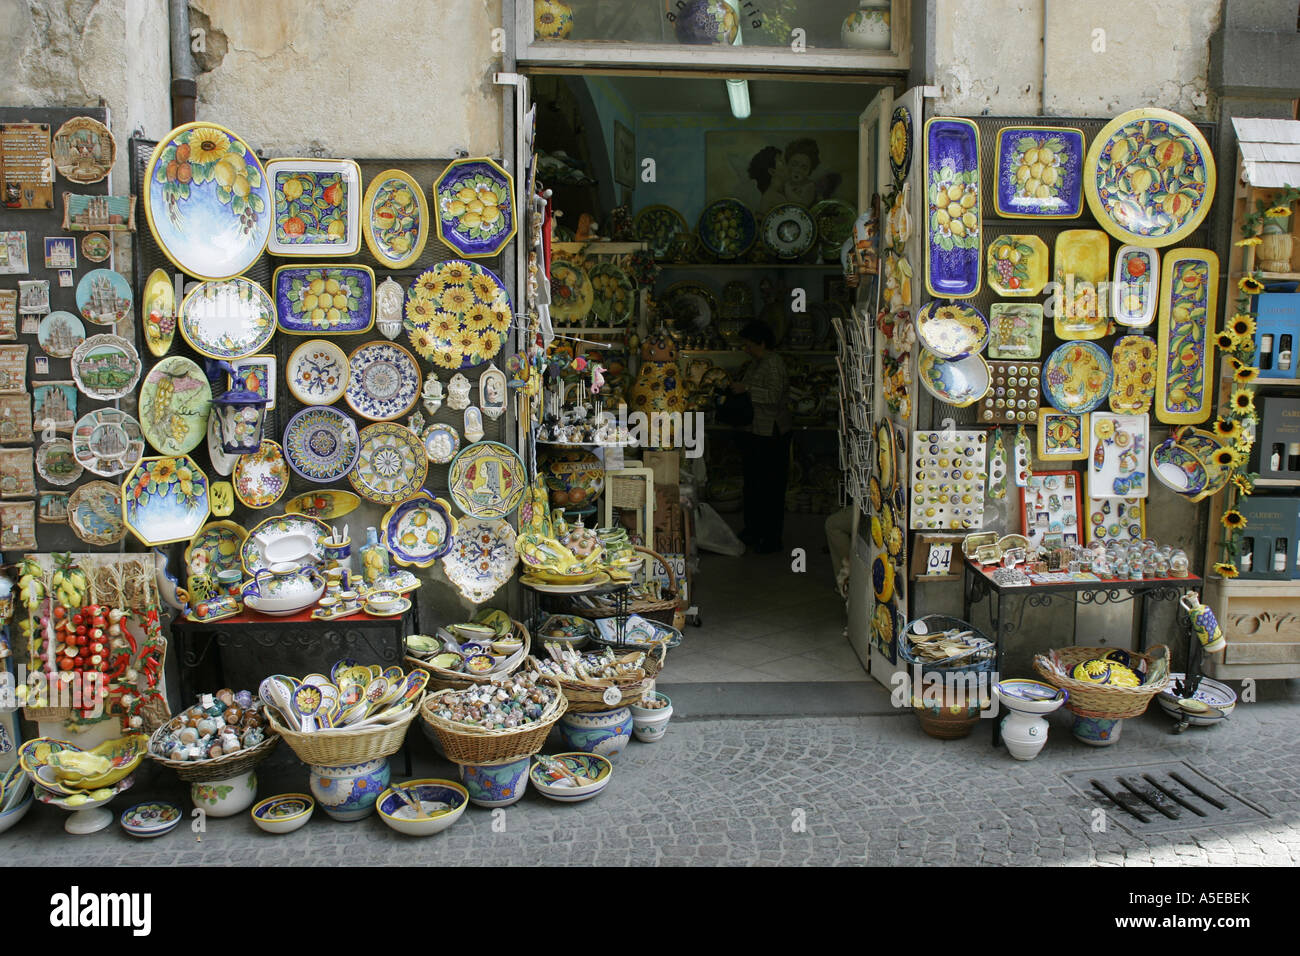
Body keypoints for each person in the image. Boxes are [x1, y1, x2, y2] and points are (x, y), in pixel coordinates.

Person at [731, 321, 792, 553]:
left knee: (771, 488)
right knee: (754, 484)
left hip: (772, 434)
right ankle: (753, 531)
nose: (745, 348)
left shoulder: (773, 363)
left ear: (761, 343)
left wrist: (746, 390)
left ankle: (770, 538)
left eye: (748, 344)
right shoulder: (756, 363)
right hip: (757, 432)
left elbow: (774, 396)